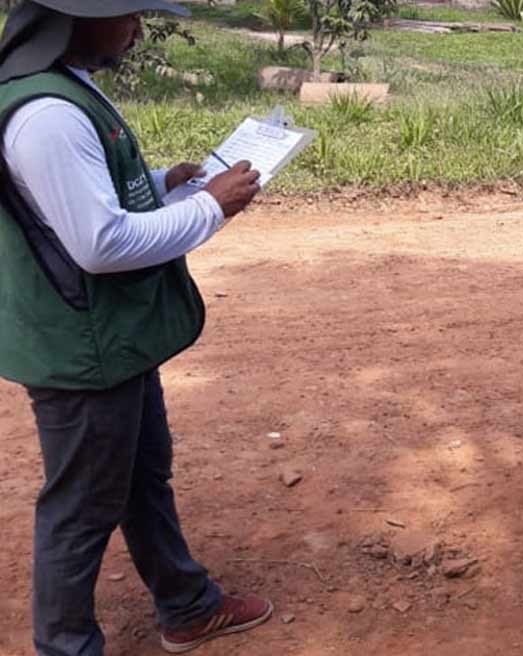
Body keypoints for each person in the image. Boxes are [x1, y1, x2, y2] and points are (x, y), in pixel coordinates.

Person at [0, 2, 272, 654]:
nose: (137, 30)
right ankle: (65, 646)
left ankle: (187, 605)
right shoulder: (48, 115)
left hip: (109, 339)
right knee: (80, 509)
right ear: (75, 20)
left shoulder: (66, 89)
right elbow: (99, 243)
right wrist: (211, 208)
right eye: (127, 15)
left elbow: (77, 200)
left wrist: (161, 184)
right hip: (84, 349)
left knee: (144, 475)